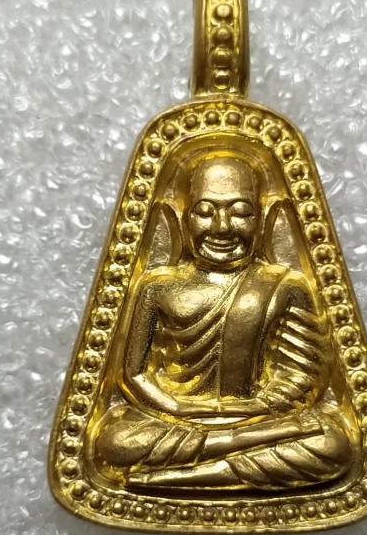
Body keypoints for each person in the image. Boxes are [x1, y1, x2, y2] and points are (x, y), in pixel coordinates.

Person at [94, 153, 353, 489]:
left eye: (241, 212)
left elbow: (302, 378)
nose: (222, 227)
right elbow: (134, 374)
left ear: (262, 219)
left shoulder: (285, 286)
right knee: (114, 442)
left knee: (332, 445)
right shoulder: (156, 287)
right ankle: (219, 465)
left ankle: (177, 478)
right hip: (184, 421)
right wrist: (178, 407)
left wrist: (254, 409)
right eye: (204, 212)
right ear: (182, 218)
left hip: (258, 418)